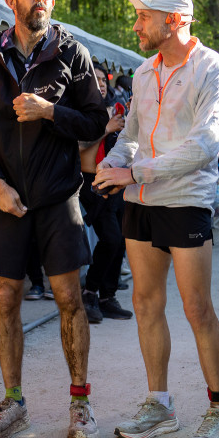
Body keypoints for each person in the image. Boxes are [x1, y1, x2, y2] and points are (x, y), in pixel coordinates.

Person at [0, 0, 109, 438]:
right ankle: (14, 401)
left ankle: (81, 405)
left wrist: (51, 112)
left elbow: (94, 122)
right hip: (5, 201)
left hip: (58, 198)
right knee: (5, 298)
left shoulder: (73, 54)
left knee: (70, 299)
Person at [93, 0, 219, 438]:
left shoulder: (212, 69)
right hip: (140, 200)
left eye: (143, 17)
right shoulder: (141, 73)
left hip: (185, 201)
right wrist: (110, 163)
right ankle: (160, 404)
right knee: (144, 302)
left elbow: (204, 147)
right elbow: (130, 136)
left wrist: (132, 170)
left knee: (197, 307)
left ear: (174, 20)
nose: (136, 25)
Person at [78, 63, 132, 323]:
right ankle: (89, 293)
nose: (100, 83)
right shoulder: (83, 112)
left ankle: (107, 297)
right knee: (110, 238)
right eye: (95, 78)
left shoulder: (114, 108)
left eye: (103, 79)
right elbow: (78, 148)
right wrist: (106, 128)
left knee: (120, 240)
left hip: (117, 180)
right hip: (90, 182)